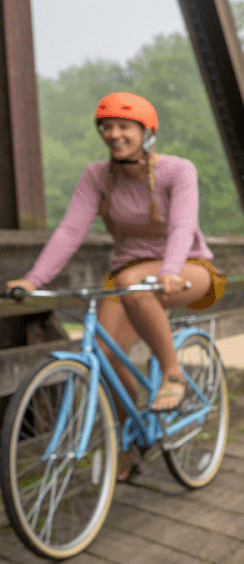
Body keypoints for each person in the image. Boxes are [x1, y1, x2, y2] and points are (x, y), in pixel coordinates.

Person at [6, 92, 227, 423]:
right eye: (106, 127)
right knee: (104, 355)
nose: (113, 134)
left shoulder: (178, 170)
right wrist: (34, 279)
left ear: (146, 132)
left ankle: (172, 374)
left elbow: (182, 227)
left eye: (124, 126)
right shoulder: (96, 176)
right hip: (128, 278)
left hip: (186, 268)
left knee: (131, 281)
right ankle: (126, 441)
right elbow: (69, 231)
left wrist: (169, 269)